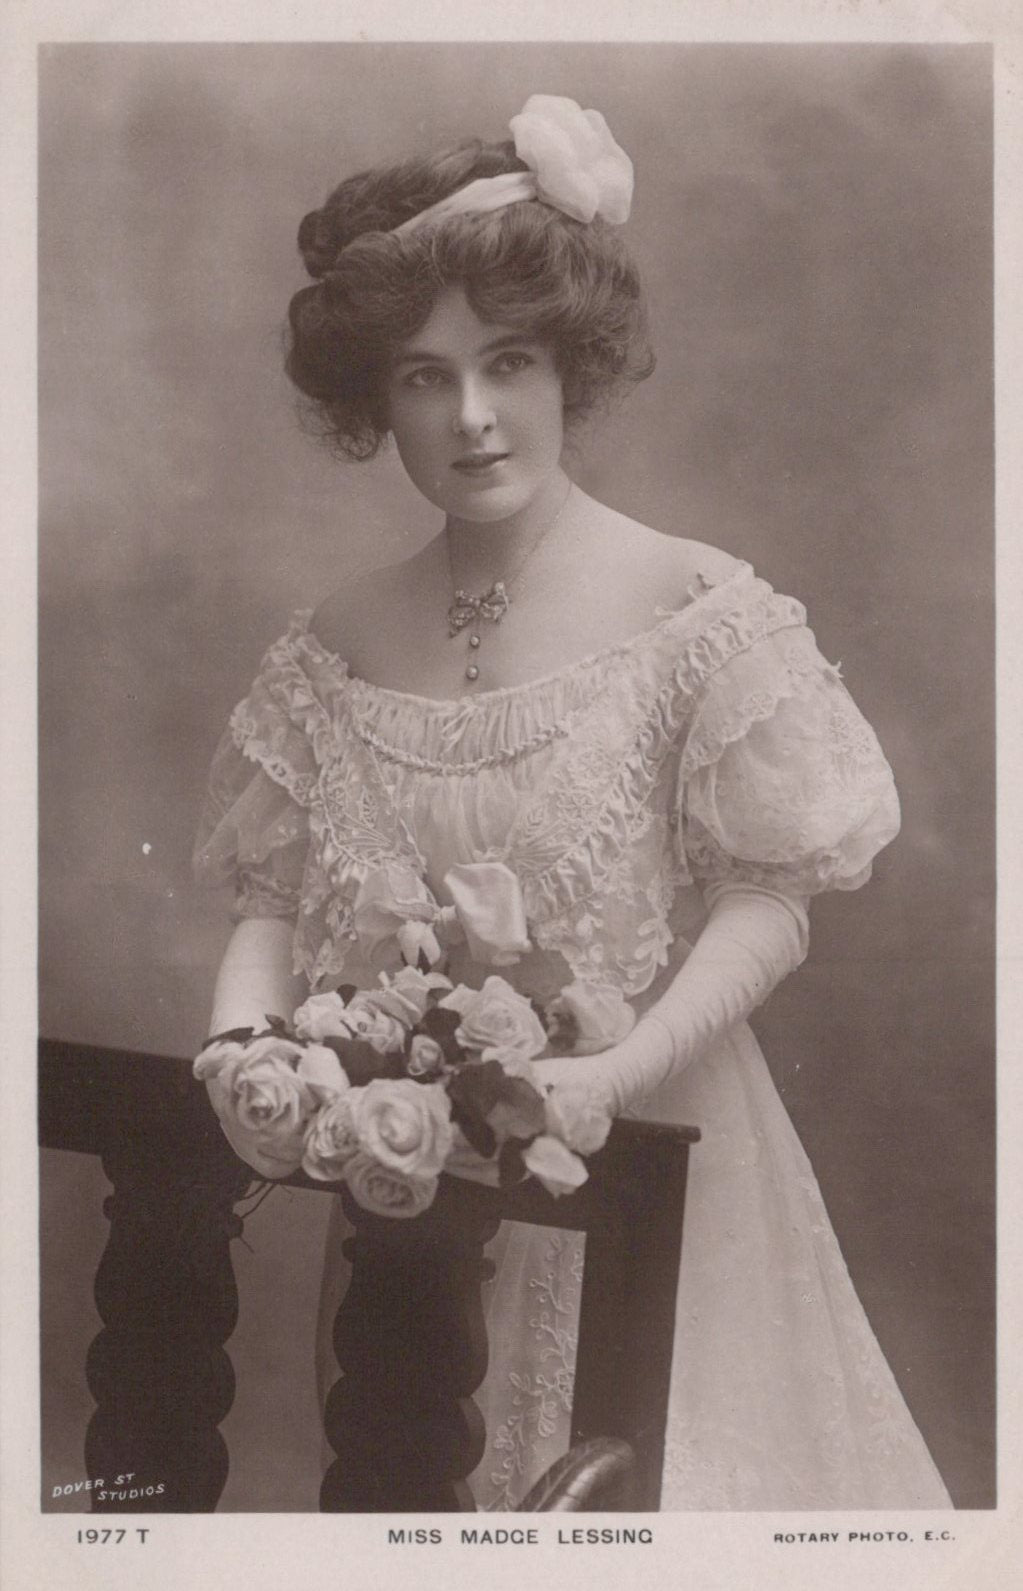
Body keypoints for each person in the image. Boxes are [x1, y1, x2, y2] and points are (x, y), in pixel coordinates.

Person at [193, 96, 952, 1510]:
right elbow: (273, 904)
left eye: (510, 361)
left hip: (661, 1175)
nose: (472, 419)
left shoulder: (693, 605)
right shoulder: (333, 641)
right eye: (423, 378)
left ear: (573, 366)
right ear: (376, 401)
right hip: (413, 1208)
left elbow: (773, 899)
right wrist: (243, 1047)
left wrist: (612, 1073)